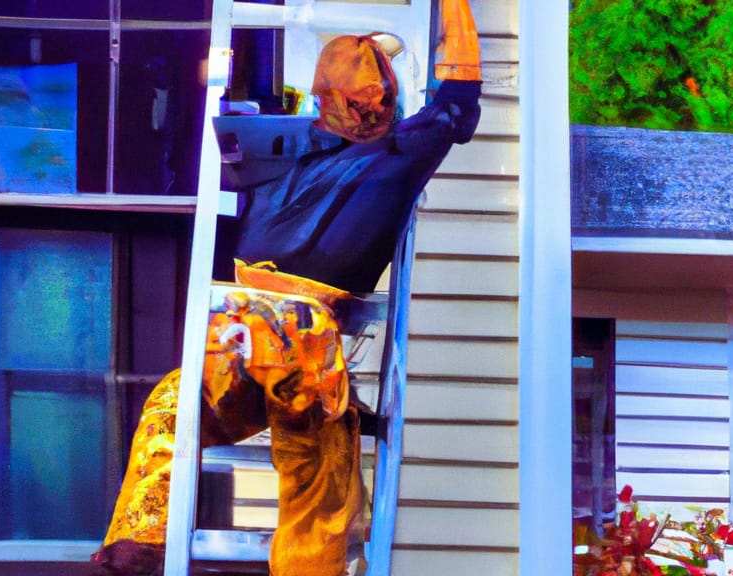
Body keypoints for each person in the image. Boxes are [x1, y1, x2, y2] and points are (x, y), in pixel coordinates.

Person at [93, 1, 481, 574]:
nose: (372, 106)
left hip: (299, 336)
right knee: (172, 408)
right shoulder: (286, 154)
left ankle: (306, 564)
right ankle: (135, 552)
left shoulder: (399, 152)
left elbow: (458, 101)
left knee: (314, 449)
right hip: (240, 336)